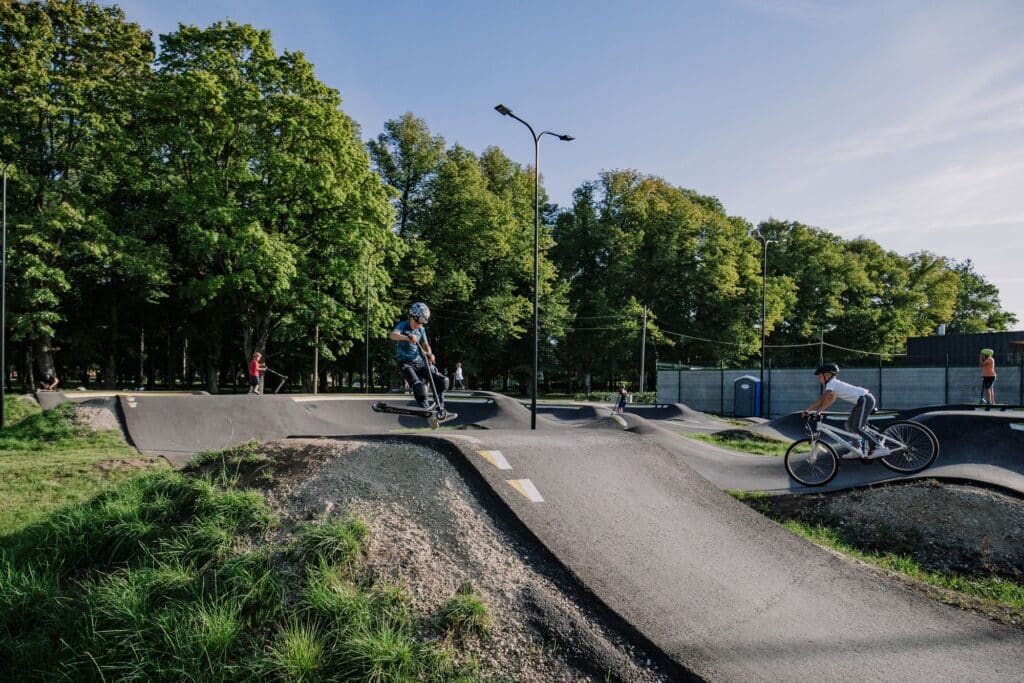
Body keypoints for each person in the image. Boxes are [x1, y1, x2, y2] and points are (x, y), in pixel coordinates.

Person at [802, 363, 884, 456]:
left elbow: (822, 399)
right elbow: (830, 399)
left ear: (827, 375)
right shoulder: (832, 385)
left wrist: (808, 410)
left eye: (820, 376)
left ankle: (879, 446)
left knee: (857, 427)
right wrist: (819, 411)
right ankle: (857, 449)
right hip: (861, 401)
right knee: (848, 425)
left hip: (865, 399)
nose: (819, 378)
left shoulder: (831, 383)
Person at [388, 302, 448, 409]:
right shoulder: (403, 325)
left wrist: (430, 354)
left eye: (421, 323)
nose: (418, 325)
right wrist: (407, 338)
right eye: (416, 322)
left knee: (442, 380)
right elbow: (393, 335)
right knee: (420, 387)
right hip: (405, 363)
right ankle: (425, 407)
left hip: (419, 361)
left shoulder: (421, 329)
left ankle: (440, 405)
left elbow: (425, 345)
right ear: (411, 316)